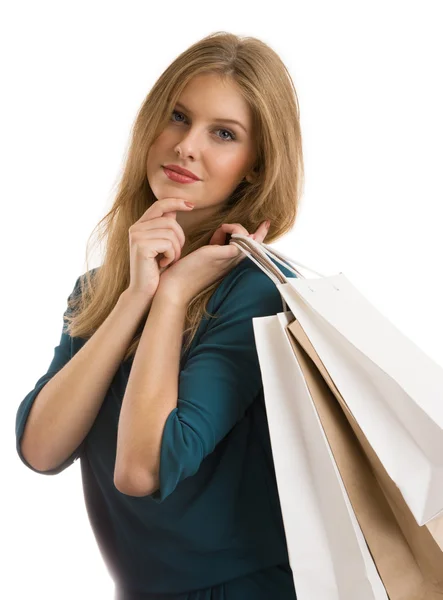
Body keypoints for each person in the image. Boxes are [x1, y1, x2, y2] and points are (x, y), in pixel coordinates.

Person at [15, 31, 304, 599]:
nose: (186, 146)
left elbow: (143, 470)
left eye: (223, 133)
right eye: (177, 117)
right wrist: (133, 301)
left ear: (256, 165)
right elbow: (41, 449)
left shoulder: (259, 291)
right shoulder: (102, 290)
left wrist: (171, 298)